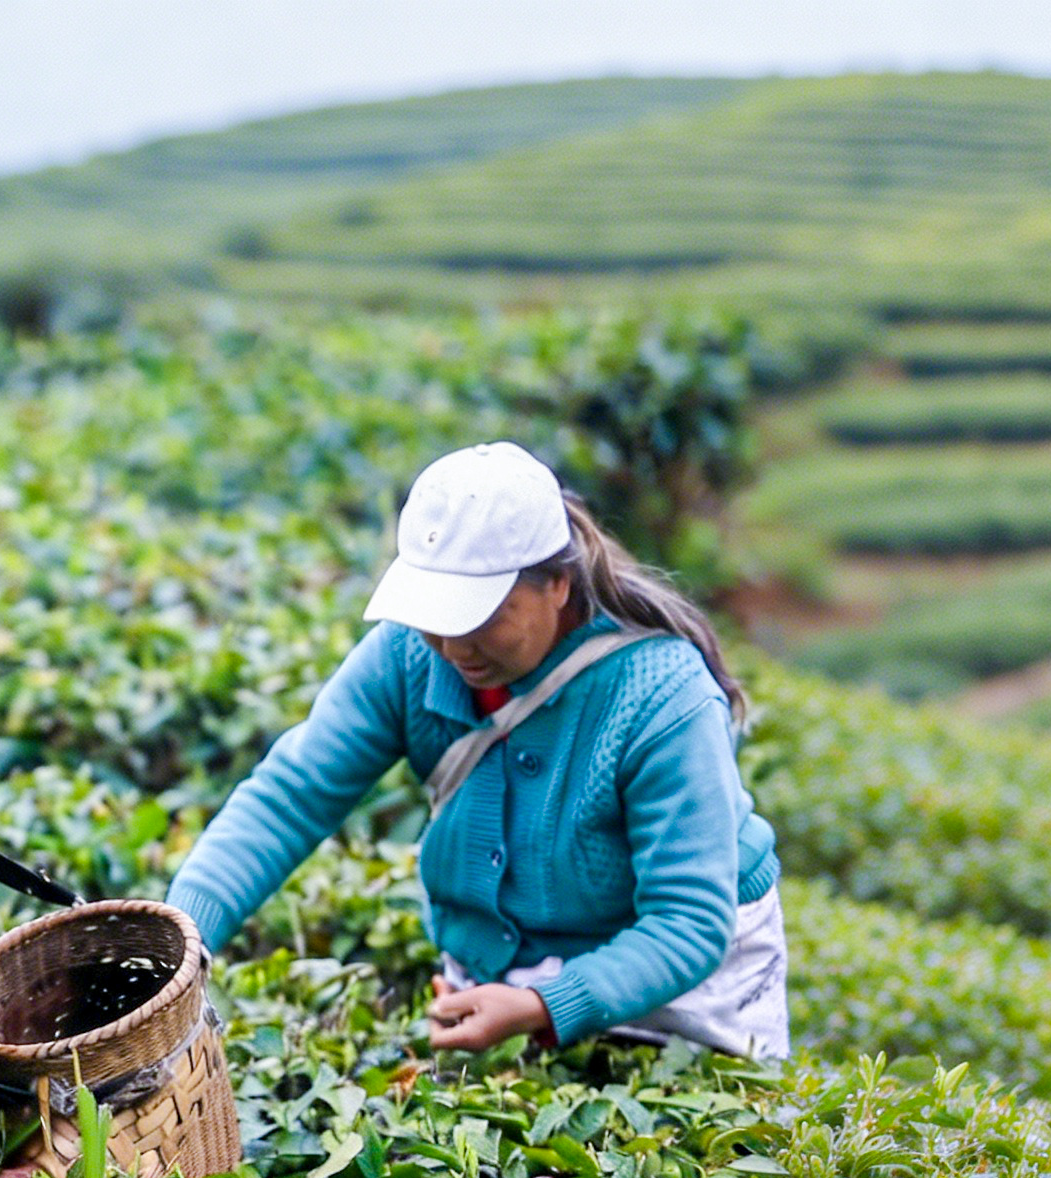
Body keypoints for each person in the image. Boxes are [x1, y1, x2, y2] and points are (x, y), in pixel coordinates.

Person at [165, 441, 787, 1060]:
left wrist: (545, 1004)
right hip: (501, 980)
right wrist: (180, 944)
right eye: (436, 613)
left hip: (683, 982)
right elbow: (287, 801)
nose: (454, 644)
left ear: (558, 585)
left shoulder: (660, 696)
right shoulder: (407, 656)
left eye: (482, 615)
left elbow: (688, 921)